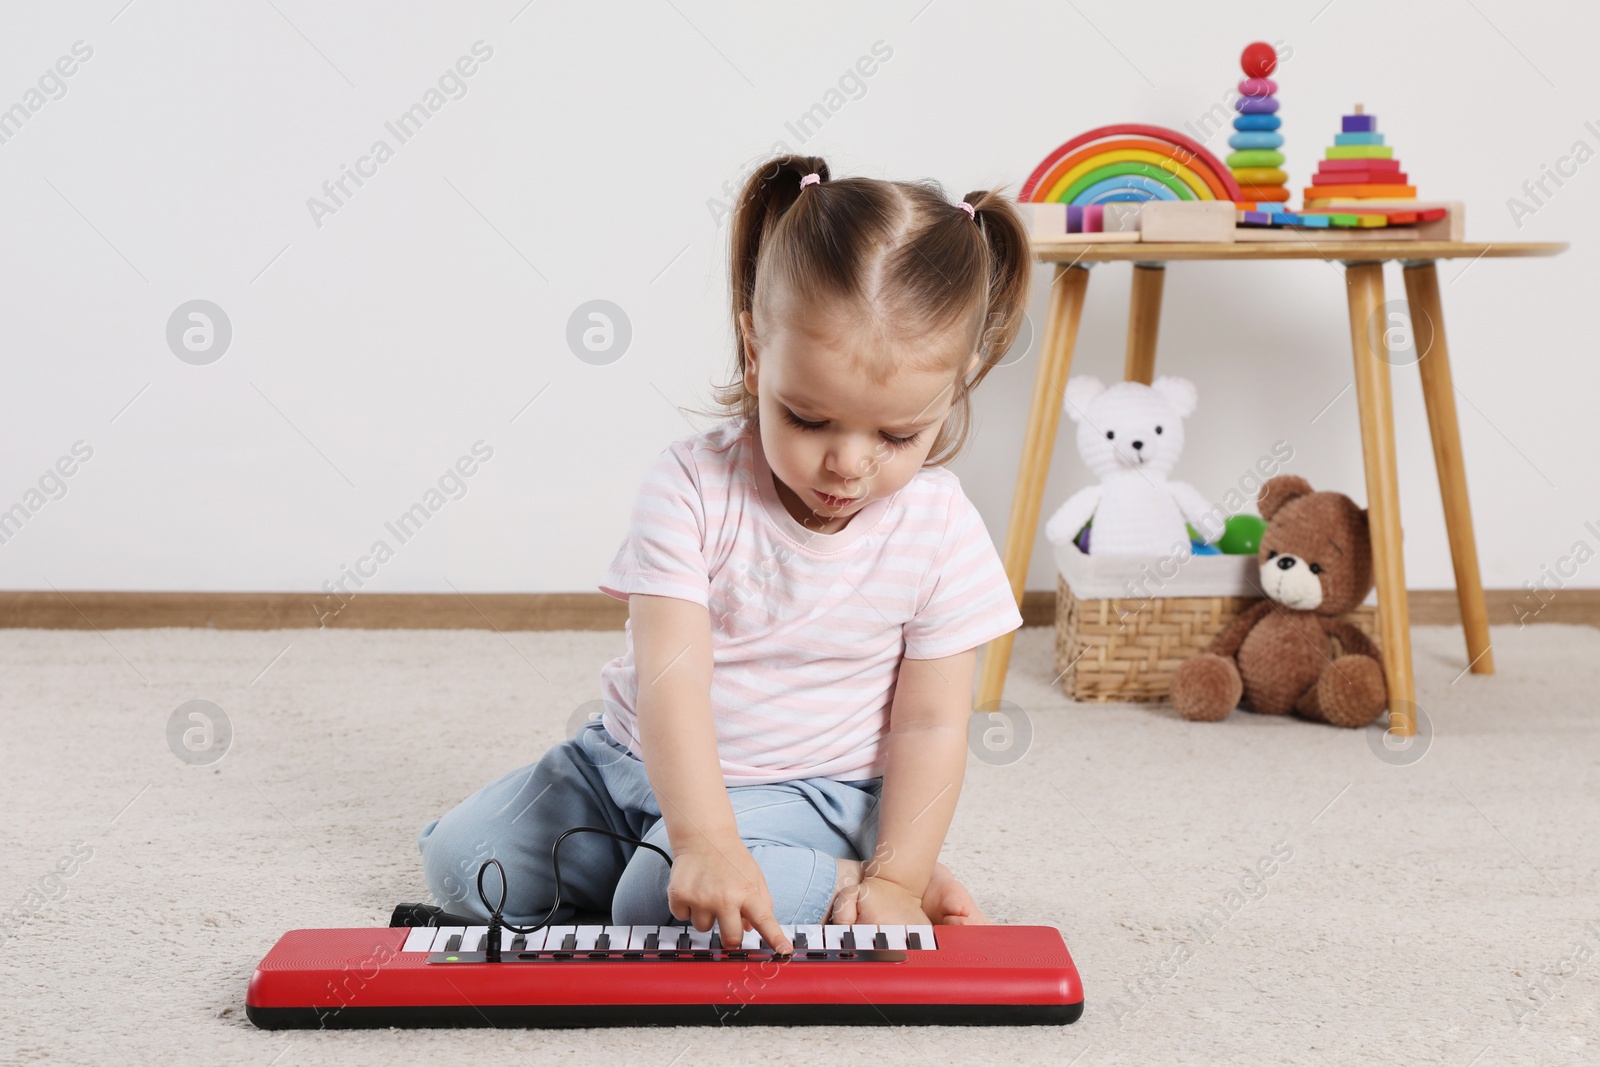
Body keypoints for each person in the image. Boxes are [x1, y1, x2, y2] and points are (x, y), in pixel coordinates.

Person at [418, 154, 1031, 954]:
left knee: (652, 902)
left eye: (896, 434)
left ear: (958, 388)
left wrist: (897, 878)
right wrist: (704, 838)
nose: (847, 463)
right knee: (461, 864)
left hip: (812, 793)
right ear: (755, 352)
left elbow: (930, 727)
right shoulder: (690, 485)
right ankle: (774, 871)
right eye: (809, 419)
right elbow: (673, 677)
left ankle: (831, 871)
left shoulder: (941, 528)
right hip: (626, 765)